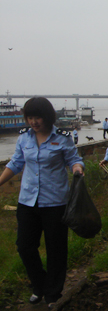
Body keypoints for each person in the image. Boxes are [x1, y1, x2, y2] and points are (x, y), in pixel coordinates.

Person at [0, 97, 84, 306]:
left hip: (55, 202)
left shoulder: (63, 138)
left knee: (56, 249)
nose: (34, 122)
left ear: (47, 117)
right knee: (25, 247)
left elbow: (74, 159)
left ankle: (53, 292)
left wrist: (77, 168)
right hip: (28, 202)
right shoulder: (24, 139)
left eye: (38, 117)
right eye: (30, 117)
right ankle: (39, 284)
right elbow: (16, 163)